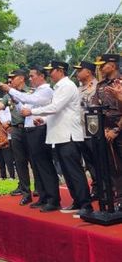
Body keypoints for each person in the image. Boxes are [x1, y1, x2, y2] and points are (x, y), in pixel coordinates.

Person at [21, 61, 92, 216]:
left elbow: (55, 108)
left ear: (60, 71)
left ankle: (86, 204)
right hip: (60, 135)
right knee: (67, 172)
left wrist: (32, 111)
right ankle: (78, 201)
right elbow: (59, 112)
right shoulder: (59, 87)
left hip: (69, 135)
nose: (49, 74)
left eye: (51, 70)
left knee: (74, 171)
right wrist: (44, 120)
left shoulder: (66, 86)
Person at [0, 66, 60, 212]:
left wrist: (10, 90)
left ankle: (53, 199)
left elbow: (29, 100)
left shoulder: (46, 90)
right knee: (38, 166)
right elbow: (24, 107)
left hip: (39, 129)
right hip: (31, 130)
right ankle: (44, 196)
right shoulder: (37, 92)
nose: (30, 79)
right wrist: (14, 97)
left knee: (44, 166)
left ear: (41, 76)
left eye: (32, 76)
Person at [0, 70, 32, 206]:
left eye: (13, 78)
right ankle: (25, 192)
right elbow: (1, 106)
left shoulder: (30, 92)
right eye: (9, 78)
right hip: (16, 129)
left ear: (21, 79)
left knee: (35, 160)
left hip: (30, 128)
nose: (10, 80)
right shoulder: (9, 94)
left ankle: (41, 190)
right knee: (20, 161)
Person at [91, 54, 122, 205]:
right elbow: (96, 107)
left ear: (113, 65)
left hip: (119, 128)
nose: (100, 68)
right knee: (113, 167)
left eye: (103, 65)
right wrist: (102, 129)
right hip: (106, 129)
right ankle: (119, 198)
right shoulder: (100, 85)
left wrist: (116, 130)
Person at [74, 61, 99, 199]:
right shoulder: (78, 89)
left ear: (88, 72)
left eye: (80, 70)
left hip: (95, 131)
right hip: (81, 131)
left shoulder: (97, 86)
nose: (77, 73)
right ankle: (97, 187)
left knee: (99, 161)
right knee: (89, 163)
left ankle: (107, 187)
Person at [0, 115, 15, 179]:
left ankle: (12, 176)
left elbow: (9, 136)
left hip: (6, 146)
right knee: (0, 162)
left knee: (9, 162)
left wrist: (2, 143)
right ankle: (3, 176)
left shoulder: (7, 126)